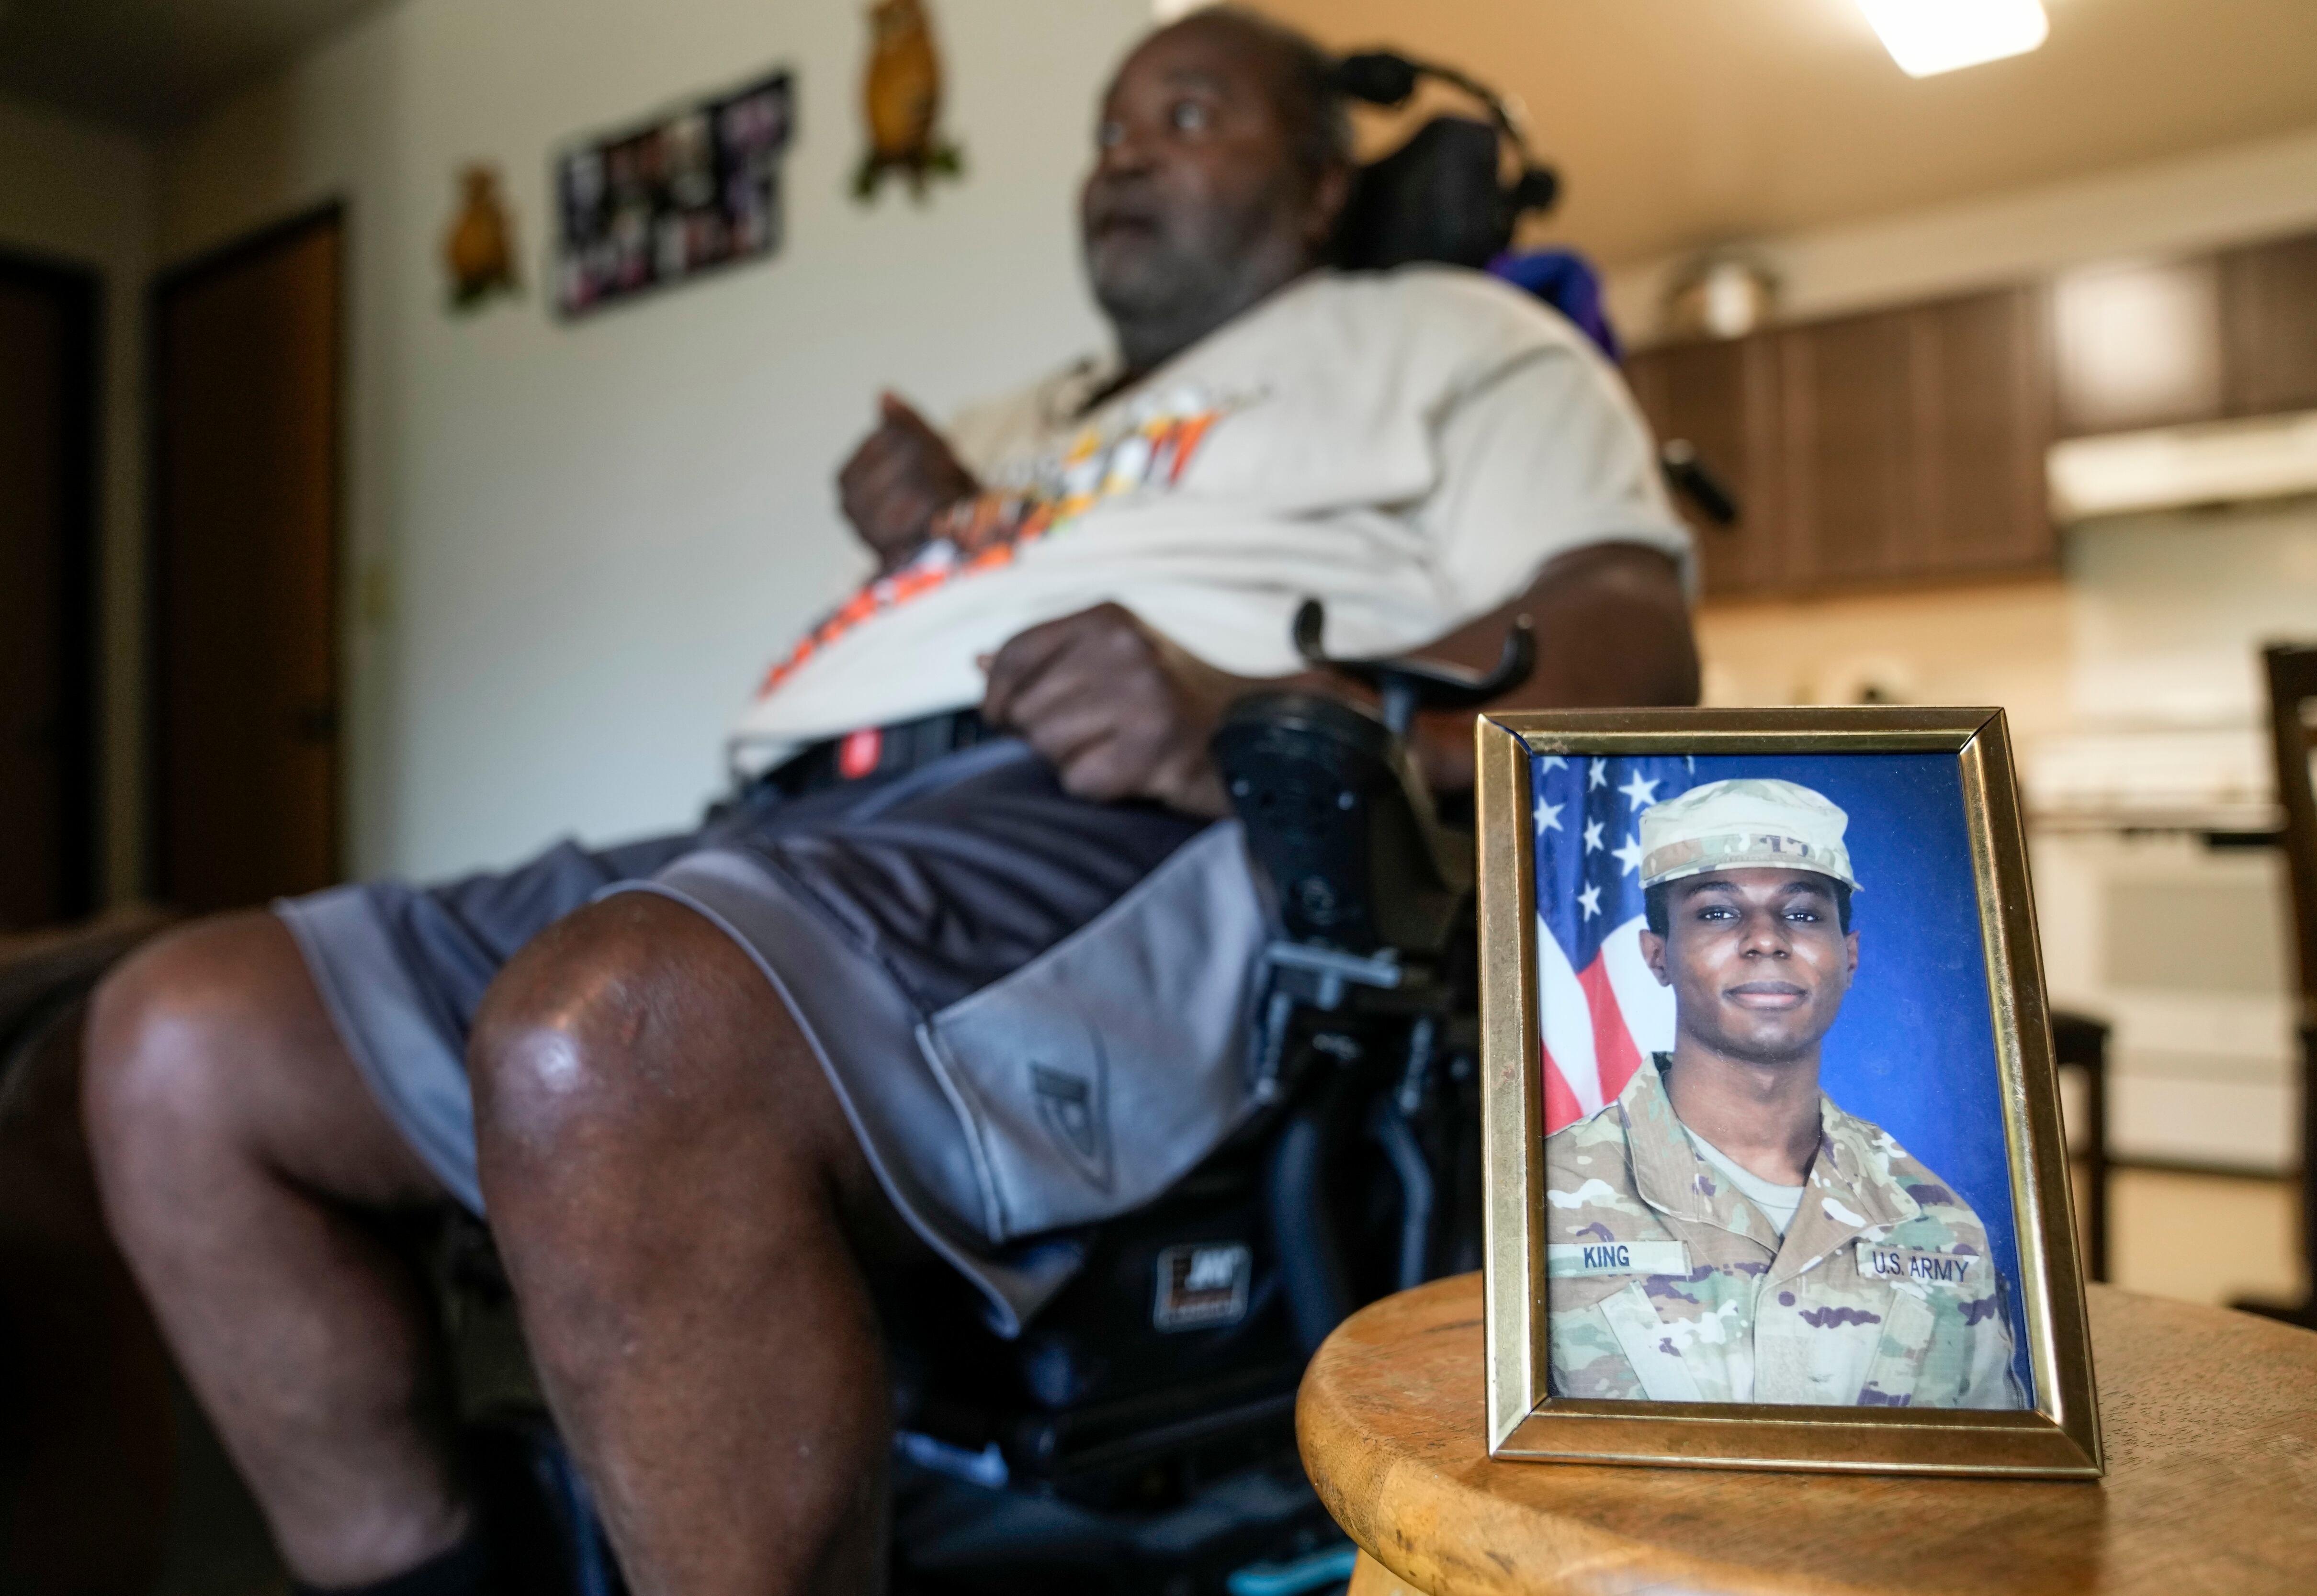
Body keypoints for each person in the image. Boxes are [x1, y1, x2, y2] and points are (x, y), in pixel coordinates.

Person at [83, 9, 1698, 1595]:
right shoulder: (1018, 425)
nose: (1122, 154)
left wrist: (1253, 710)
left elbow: (1634, 656)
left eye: (1187, 116)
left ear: (1324, 183)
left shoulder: (1460, 339)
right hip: (795, 821)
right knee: (181, 1045)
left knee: (618, 1034)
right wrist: (962, 526)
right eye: (1108, 131)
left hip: (1121, 807)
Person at [1544, 777, 2023, 1409]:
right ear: (1656, 955)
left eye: (1801, 913)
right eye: (1718, 912)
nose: (1766, 938)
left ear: (1849, 956)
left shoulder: (1940, 1225)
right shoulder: (1541, 1201)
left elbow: (1991, 1490)